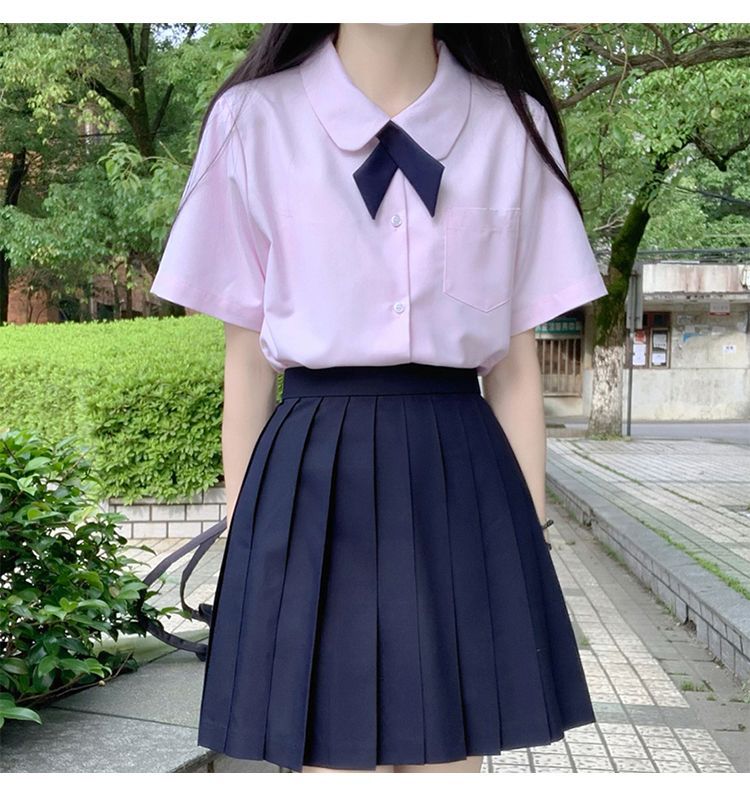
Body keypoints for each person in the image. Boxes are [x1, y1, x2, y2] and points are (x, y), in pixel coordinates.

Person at [149, 22, 608, 774]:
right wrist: (246, 527)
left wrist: (529, 534)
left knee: (451, 758)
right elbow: (247, 359)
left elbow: (516, 362)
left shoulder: (511, 125)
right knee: (328, 756)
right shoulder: (253, 120)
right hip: (311, 480)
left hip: (461, 474)